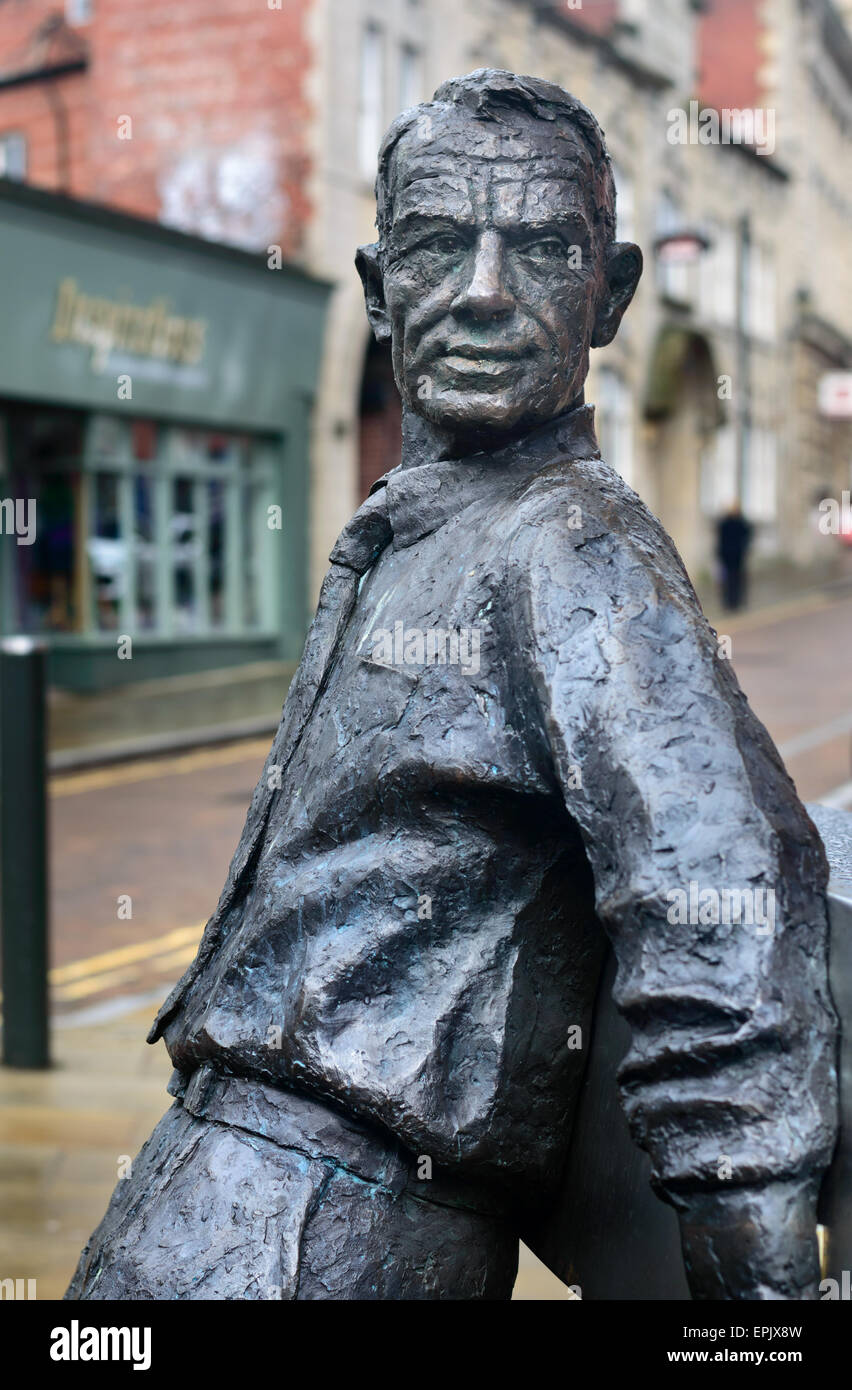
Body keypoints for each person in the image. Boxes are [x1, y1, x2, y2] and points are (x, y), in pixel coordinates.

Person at [67, 69, 838, 1302]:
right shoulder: (421, 523)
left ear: (611, 294)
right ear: (379, 290)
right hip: (230, 1190)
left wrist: (755, 1261)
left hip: (329, 1226)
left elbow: (720, 880)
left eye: (539, 247)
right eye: (437, 246)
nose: (483, 293)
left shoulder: (569, 544)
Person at [716, 501, 753, 610]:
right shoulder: (727, 523)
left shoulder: (738, 522)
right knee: (729, 580)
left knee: (737, 579)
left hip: (736, 556)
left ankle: (736, 601)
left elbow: (748, 534)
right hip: (729, 556)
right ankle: (730, 602)